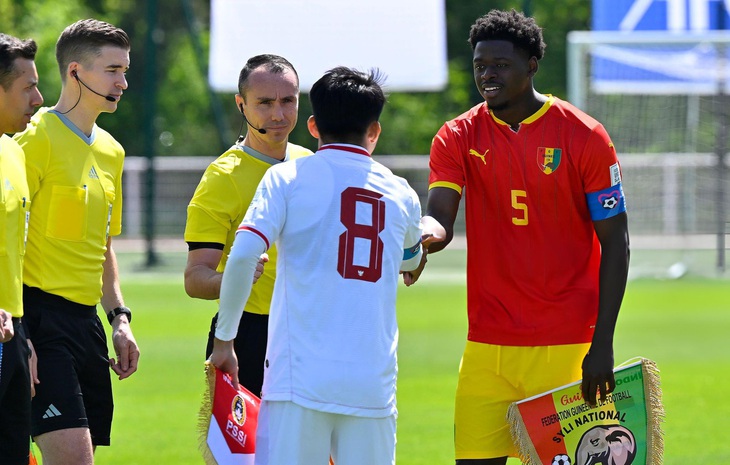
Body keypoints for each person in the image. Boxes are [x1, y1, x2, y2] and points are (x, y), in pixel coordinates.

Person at [417, 9, 630, 465]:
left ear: (532, 65)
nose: (487, 75)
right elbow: (440, 217)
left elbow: (617, 242)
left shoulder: (586, 135)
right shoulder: (456, 135)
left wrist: (603, 344)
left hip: (568, 343)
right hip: (487, 347)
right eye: (480, 66)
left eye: (500, 65)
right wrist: (420, 240)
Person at [209, 66, 444, 465]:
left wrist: (224, 340)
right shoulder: (400, 191)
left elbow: (246, 253)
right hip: (372, 383)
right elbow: (412, 258)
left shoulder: (285, 178)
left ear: (314, 125)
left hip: (298, 381)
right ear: (374, 131)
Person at [14, 19, 140, 464]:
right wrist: (18, 332)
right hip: (39, 323)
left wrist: (118, 318)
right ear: (75, 73)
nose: (123, 82)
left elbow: (102, 247)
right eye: (112, 70)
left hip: (87, 326)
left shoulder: (112, 150)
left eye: (125, 70)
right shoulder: (34, 140)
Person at [184, 54, 312, 396]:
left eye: (288, 101)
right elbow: (195, 279)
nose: (278, 114)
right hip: (247, 334)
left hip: (309, 330)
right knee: (249, 452)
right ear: (241, 105)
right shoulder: (221, 177)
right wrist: (233, 279)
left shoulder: (311, 164)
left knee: (313, 451)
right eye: (265, 103)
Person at [0, 32, 43, 465]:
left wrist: (23, 338)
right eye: (28, 86)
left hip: (11, 336)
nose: (38, 96)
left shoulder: (13, 151)